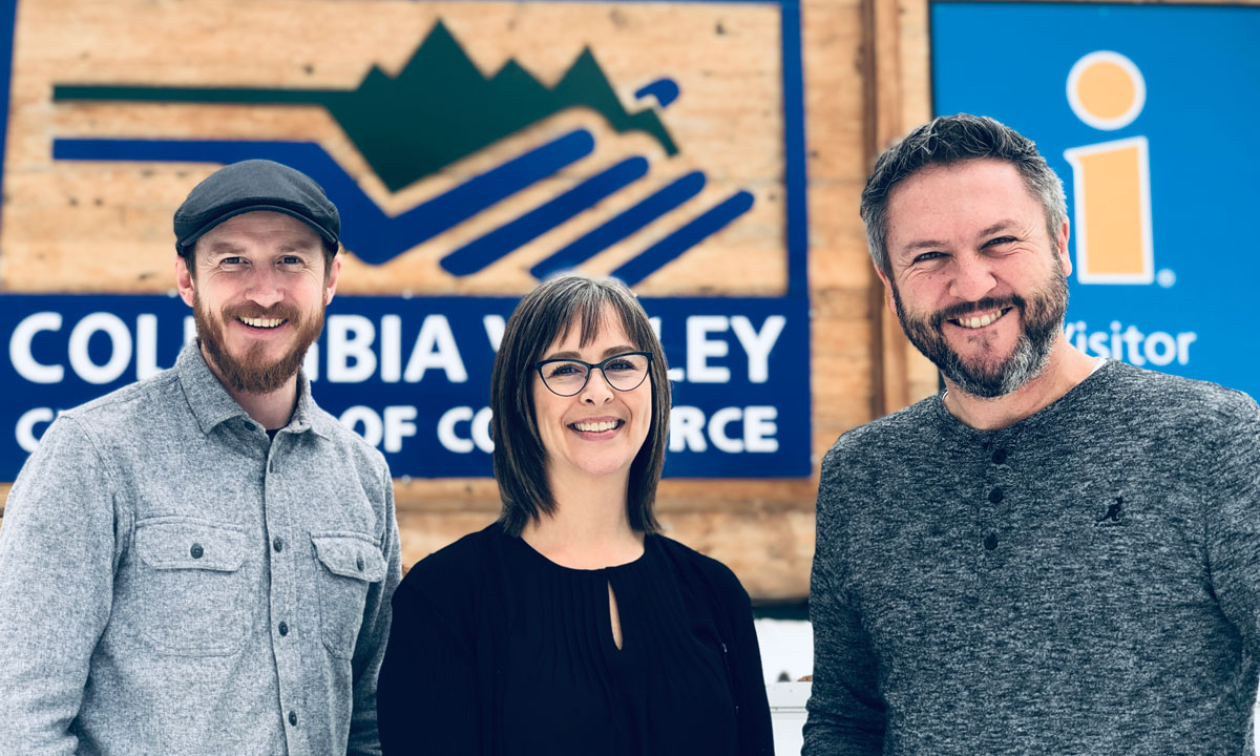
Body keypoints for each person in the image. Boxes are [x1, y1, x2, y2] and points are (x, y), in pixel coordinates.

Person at [803, 114, 1260, 754]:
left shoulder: (1211, 439)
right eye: (929, 257)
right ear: (890, 285)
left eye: (999, 243)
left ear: (1061, 243)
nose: (972, 285)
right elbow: (845, 722)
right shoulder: (865, 473)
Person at [0, 159, 401, 755]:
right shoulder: (93, 455)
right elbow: (19, 720)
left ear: (330, 279)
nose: (264, 291)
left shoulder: (362, 477)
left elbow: (371, 720)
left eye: (291, 260)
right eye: (232, 260)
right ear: (188, 279)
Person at [377, 273, 773, 756]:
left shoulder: (714, 592)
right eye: (565, 369)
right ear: (519, 398)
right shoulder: (445, 597)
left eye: (621, 364)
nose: (598, 392)